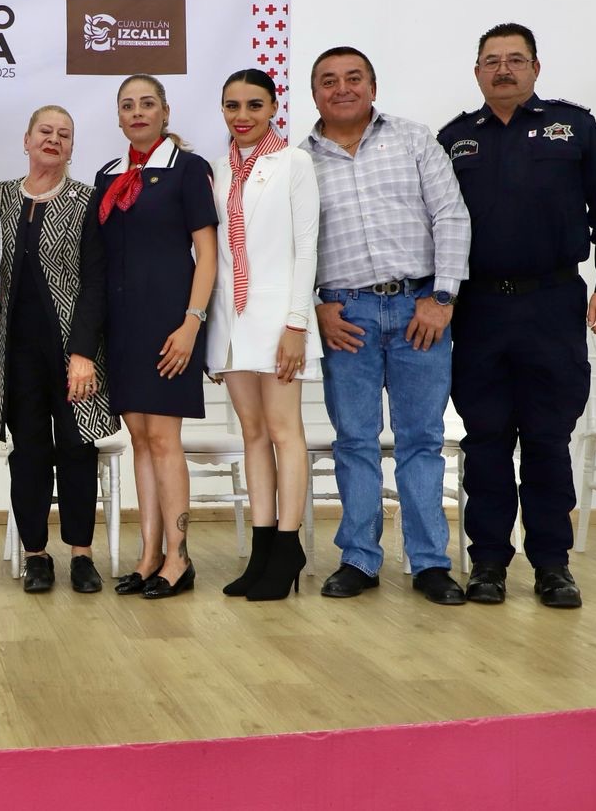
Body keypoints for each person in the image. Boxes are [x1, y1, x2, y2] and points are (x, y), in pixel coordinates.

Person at [438, 23, 596, 609]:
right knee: (486, 439)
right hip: (479, 310)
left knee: (548, 438)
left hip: (552, 303)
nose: (504, 69)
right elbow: (432, 224)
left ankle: (553, 564)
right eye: (492, 61)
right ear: (477, 71)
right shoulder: (454, 139)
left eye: (515, 59)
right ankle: (488, 563)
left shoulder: (573, 128)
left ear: (535, 68)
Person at [301, 46, 471, 606]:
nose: (342, 88)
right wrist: (315, 305)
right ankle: (358, 558)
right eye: (329, 80)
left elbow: (451, 215)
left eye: (354, 78)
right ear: (314, 93)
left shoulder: (413, 139)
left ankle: (429, 563)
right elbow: (289, 244)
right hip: (344, 316)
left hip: (419, 309)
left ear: (373, 87)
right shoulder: (299, 162)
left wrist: (442, 297)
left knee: (421, 439)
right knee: (354, 440)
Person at [0, 105, 115, 594]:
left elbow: (96, 283)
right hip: (16, 353)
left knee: (78, 449)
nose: (53, 140)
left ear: (72, 147)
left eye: (64, 134)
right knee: (30, 453)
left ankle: (81, 555)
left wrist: (82, 354)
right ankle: (36, 555)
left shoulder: (87, 201)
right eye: (45, 131)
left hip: (74, 352)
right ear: (27, 139)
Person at [94, 74, 218, 599]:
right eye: (128, 105)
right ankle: (148, 556)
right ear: (119, 117)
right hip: (123, 327)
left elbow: (207, 255)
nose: (138, 112)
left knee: (165, 440)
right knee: (140, 440)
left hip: (171, 324)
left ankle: (178, 557)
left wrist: (192, 323)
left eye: (148, 103)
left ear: (166, 112)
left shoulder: (189, 168)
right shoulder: (108, 174)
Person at [204, 68, 322, 601]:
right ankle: (262, 547)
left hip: (278, 319)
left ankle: (289, 545)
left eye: (254, 105)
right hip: (232, 320)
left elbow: (306, 248)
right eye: (232, 106)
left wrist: (296, 323)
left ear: (274, 107)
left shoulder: (294, 162)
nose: (243, 116)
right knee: (251, 433)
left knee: (283, 430)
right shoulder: (217, 170)